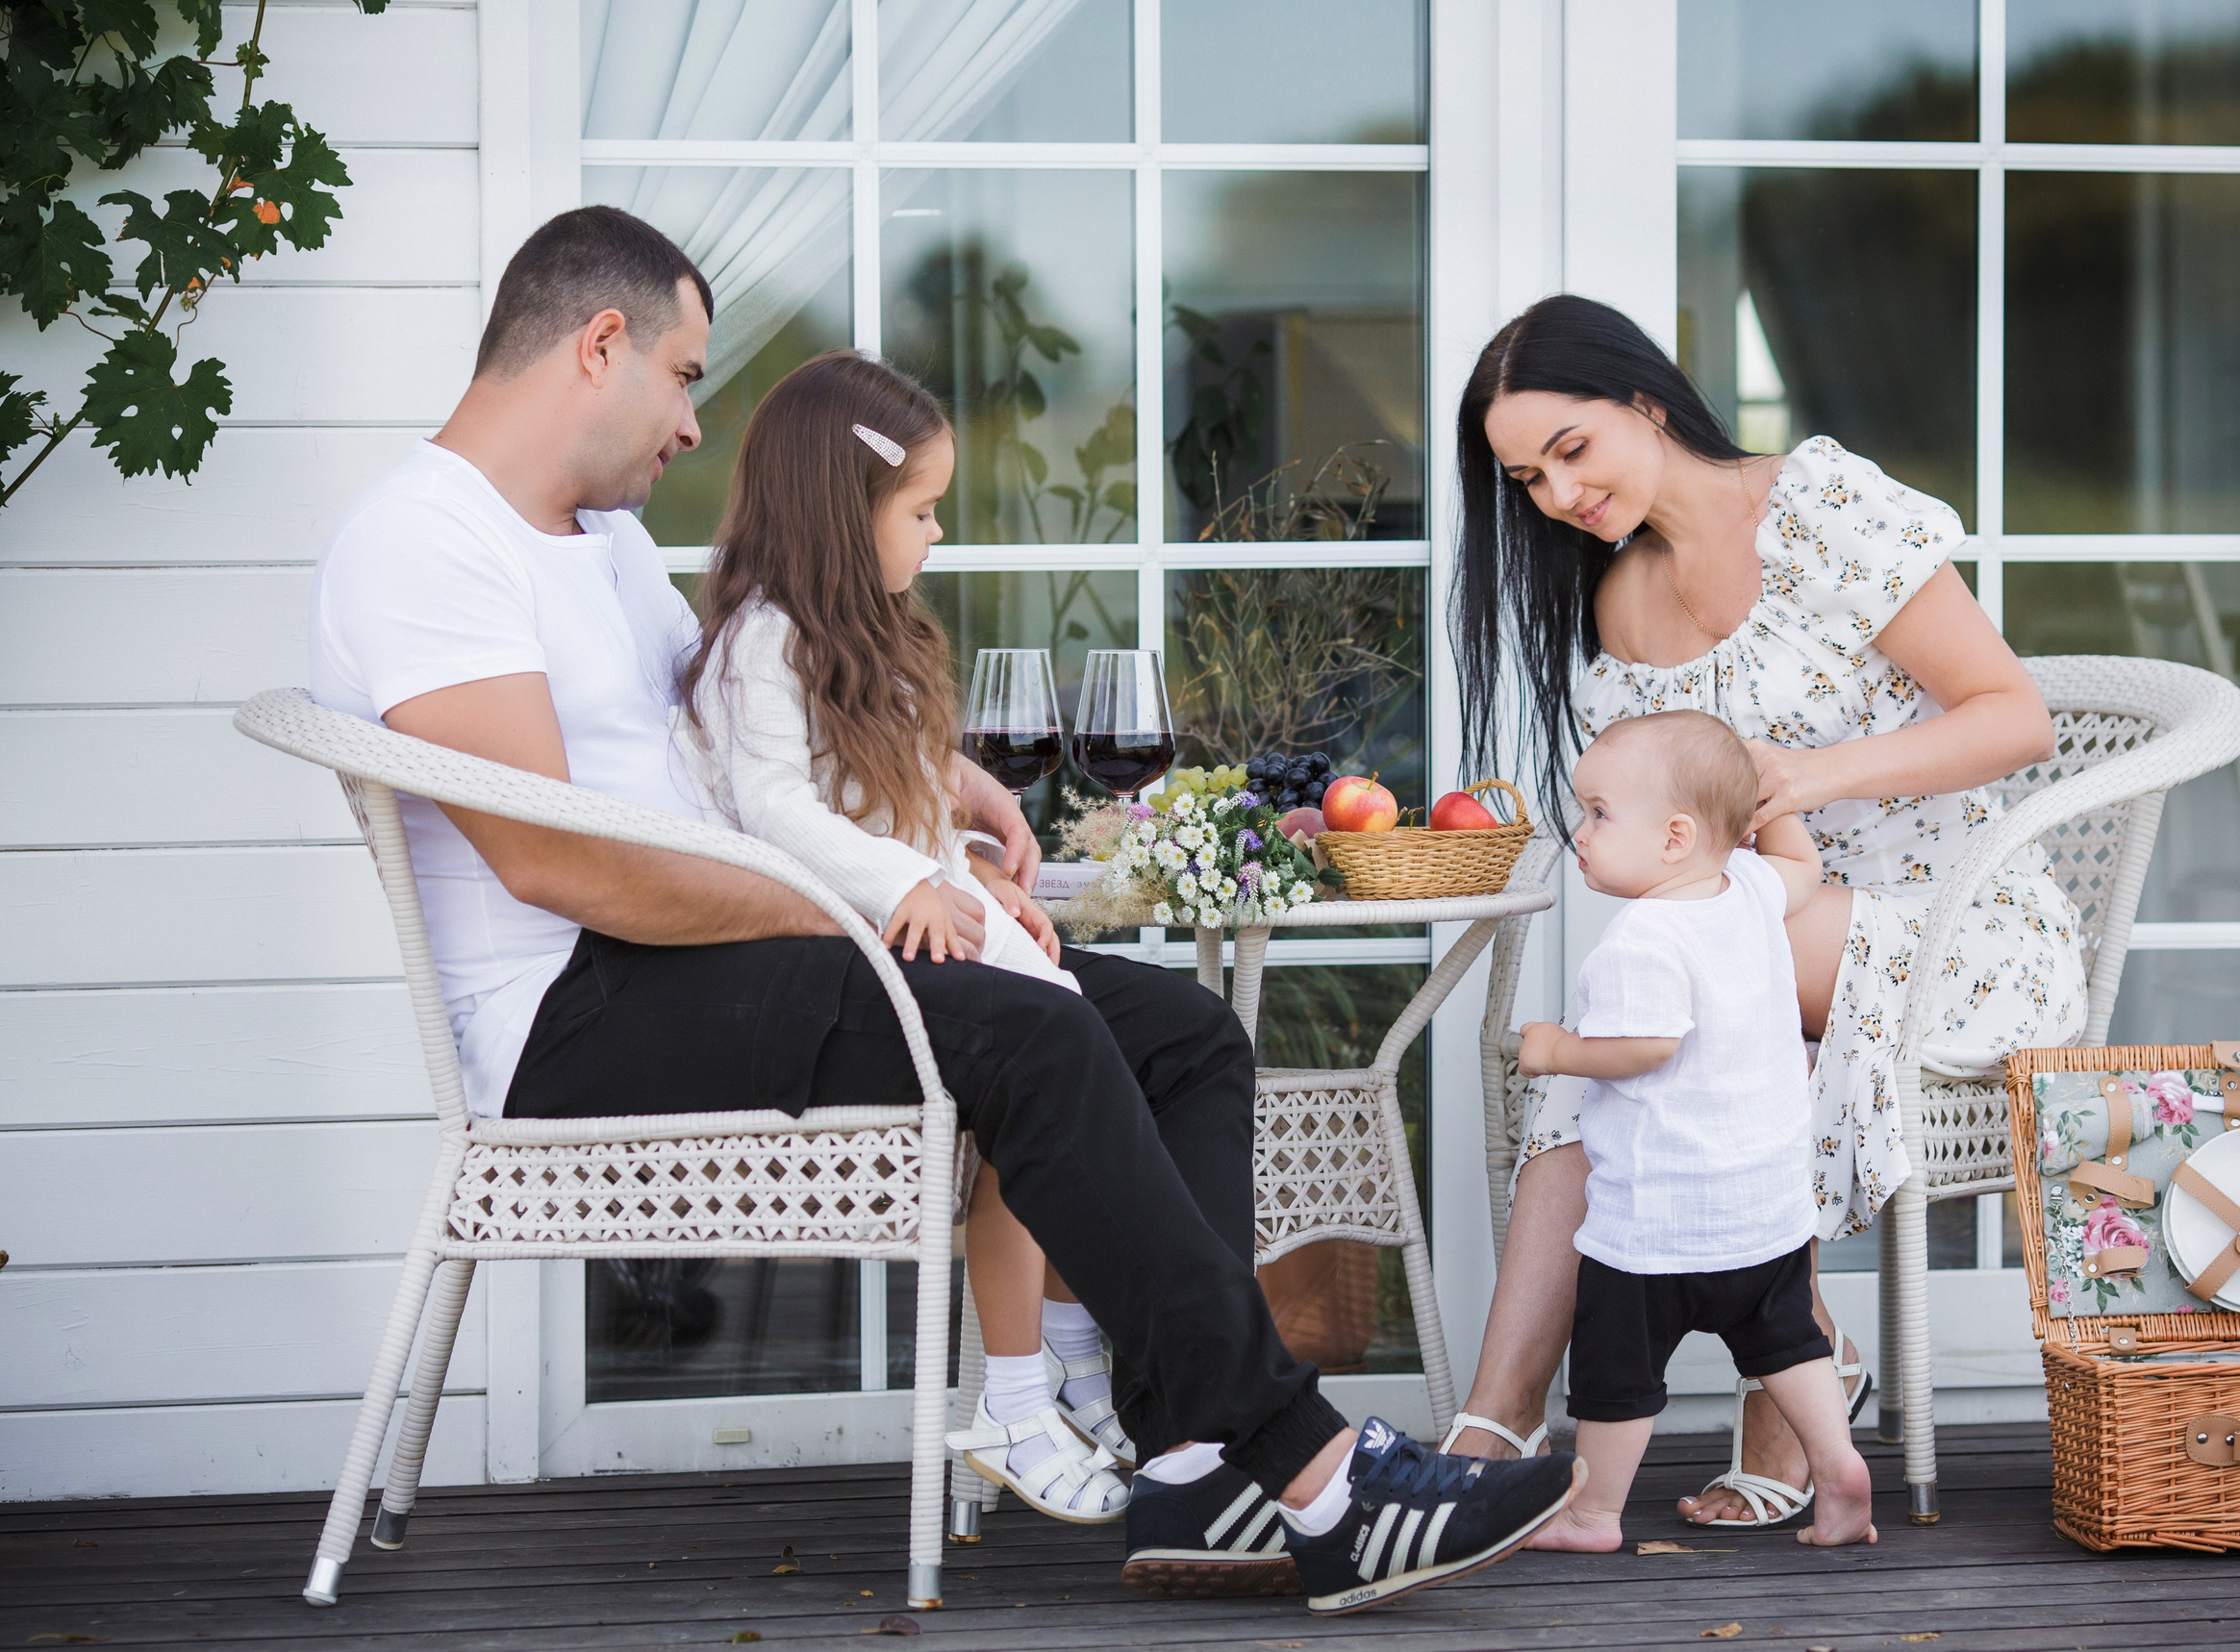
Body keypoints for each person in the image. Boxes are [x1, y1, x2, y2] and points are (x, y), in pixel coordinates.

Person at [305, 205, 1577, 1614]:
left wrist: (942, 779)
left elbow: (741, 720)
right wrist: (851, 906)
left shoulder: (591, 537)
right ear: (599, 345)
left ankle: (1195, 1460)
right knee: (1018, 1031)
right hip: (576, 1006)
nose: (688, 425)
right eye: (682, 375)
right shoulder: (426, 540)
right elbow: (558, 864)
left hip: (701, 949)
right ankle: (1312, 1467)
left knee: (1183, 1033)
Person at [1446, 293, 2082, 1527]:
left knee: (1665, 983)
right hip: (1774, 928)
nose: (1559, 494)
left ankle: (1789, 1356)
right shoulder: (1622, 598)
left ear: (1643, 401)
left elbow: (2015, 714)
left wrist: (1817, 776)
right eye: (1527, 477)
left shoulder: (1820, 506)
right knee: (1612, 1051)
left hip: (1952, 922)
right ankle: (1502, 1410)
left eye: (1573, 449)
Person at [675, 348, 1129, 1524]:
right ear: (841, 509)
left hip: (912, 918)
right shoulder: (760, 647)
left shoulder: (868, 642)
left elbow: (901, 800)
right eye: (920, 510)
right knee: (1046, 1086)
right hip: (831, 954)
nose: (932, 534)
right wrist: (901, 886)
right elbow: (778, 810)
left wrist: (971, 863)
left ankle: (1069, 1363)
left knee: (1078, 1085)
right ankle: (1021, 1393)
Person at [1514, 713, 1874, 1550]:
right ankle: (1838, 1465)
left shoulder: (1641, 936)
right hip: (1764, 1214)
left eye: (1599, 813)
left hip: (1657, 1227)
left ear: (1675, 837)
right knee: (1788, 1342)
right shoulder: (1749, 891)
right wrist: (1760, 791)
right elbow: (1803, 865)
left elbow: (1645, 1048)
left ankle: (1594, 1514)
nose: (1580, 832)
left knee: (1616, 1376)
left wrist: (1556, 1048)